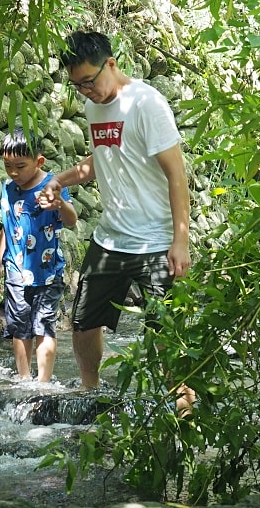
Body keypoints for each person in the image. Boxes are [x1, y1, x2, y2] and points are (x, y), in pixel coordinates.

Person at [39, 31, 193, 411]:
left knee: (167, 334)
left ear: (111, 63)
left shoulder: (146, 104)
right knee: (83, 322)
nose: (86, 92)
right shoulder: (95, 107)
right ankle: (91, 396)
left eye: (89, 81)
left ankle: (183, 409)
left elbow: (177, 174)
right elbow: (101, 159)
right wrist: (59, 179)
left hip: (156, 241)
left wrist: (180, 240)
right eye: (77, 86)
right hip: (111, 238)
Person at [0, 128, 78, 383]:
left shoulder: (51, 185)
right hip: (15, 271)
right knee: (20, 328)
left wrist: (60, 204)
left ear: (39, 162)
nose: (14, 173)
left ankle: (44, 382)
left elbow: (71, 221)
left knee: (44, 326)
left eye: (20, 166)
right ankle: (24, 378)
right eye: (8, 166)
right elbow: (7, 226)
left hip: (48, 272)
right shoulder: (8, 187)